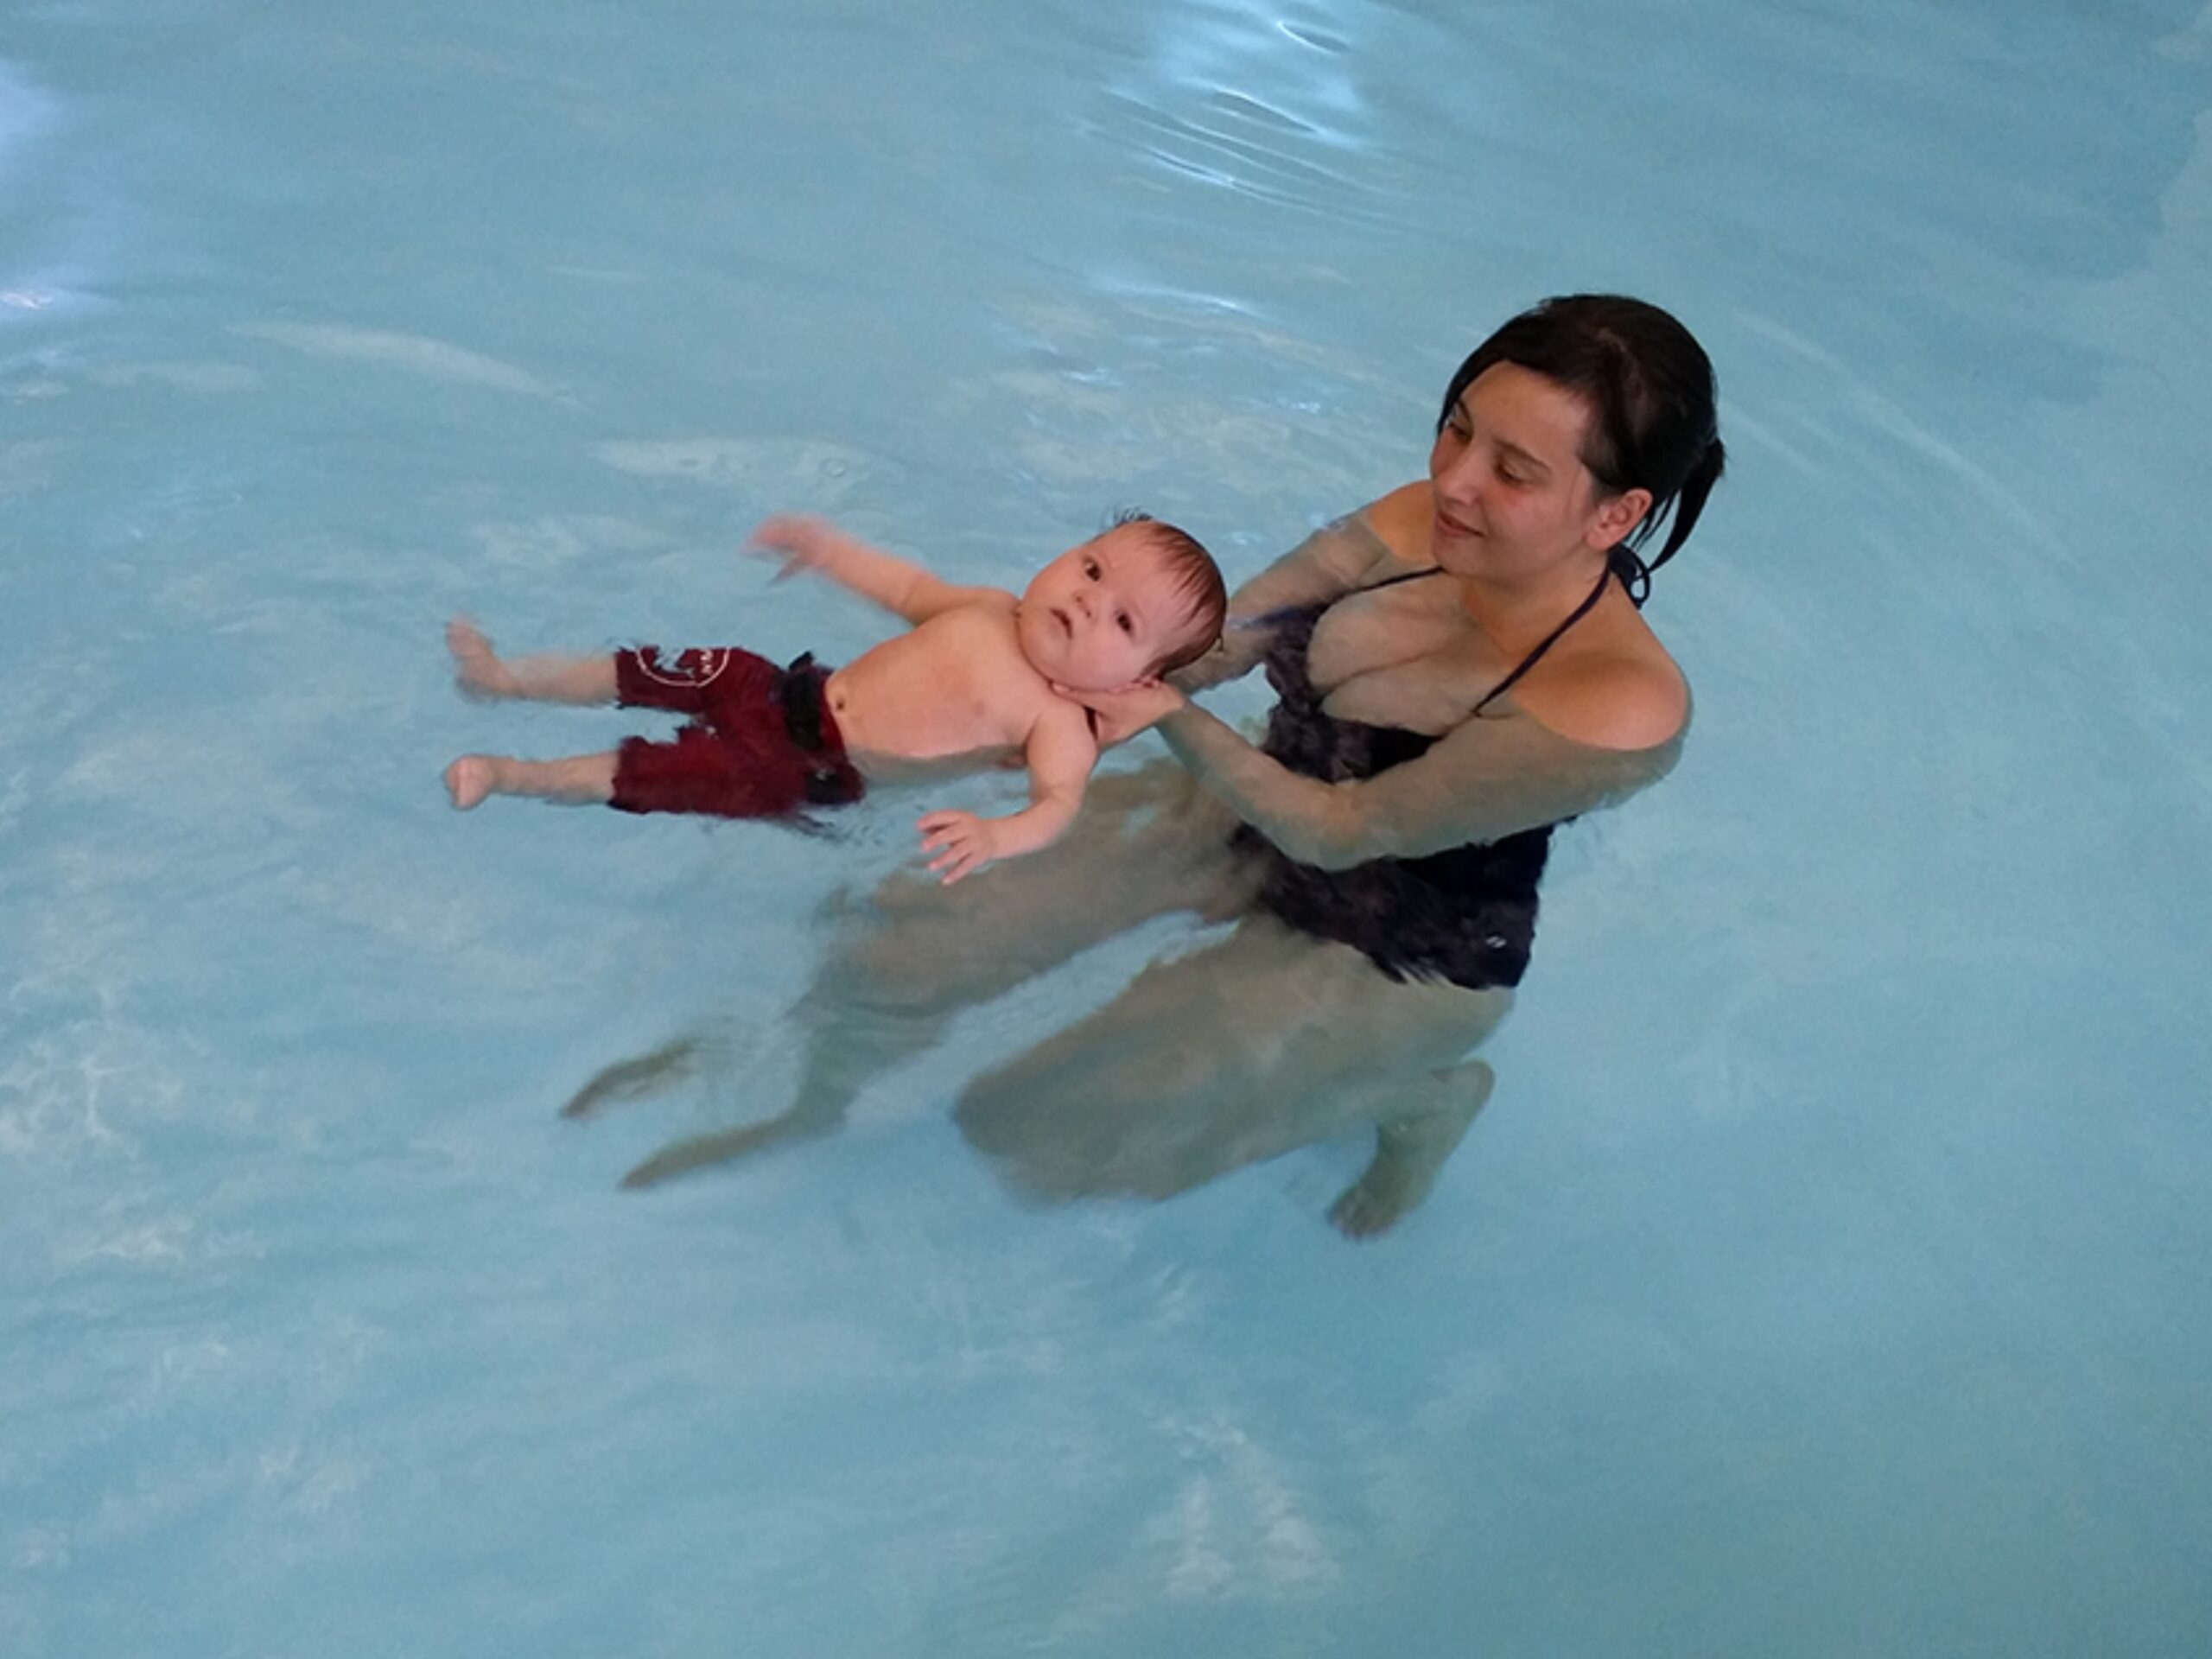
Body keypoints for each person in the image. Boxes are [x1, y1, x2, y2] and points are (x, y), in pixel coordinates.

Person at [578, 294, 1725, 1229]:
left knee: (1042, 1138)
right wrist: (1003, 689)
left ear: (1613, 514)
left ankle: (1419, 1094)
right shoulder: (1424, 517)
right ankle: (810, 1109)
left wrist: (1161, 712)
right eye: (1458, 426)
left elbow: (1345, 832)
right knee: (894, 944)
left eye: (1514, 470)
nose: (1457, 479)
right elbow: (1224, 637)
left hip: (1394, 946)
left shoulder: (1614, 704)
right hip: (1231, 808)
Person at [442, 511, 1226, 883]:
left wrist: (996, 837)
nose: (1089, 600)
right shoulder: (991, 607)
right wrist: (833, 553)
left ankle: (511, 775)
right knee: (642, 668)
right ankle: (507, 679)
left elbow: (1058, 805)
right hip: (779, 685)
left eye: (1123, 621)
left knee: (642, 773)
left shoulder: (1059, 724)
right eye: (1092, 568)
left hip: (801, 768)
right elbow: (908, 589)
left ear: (1137, 680)